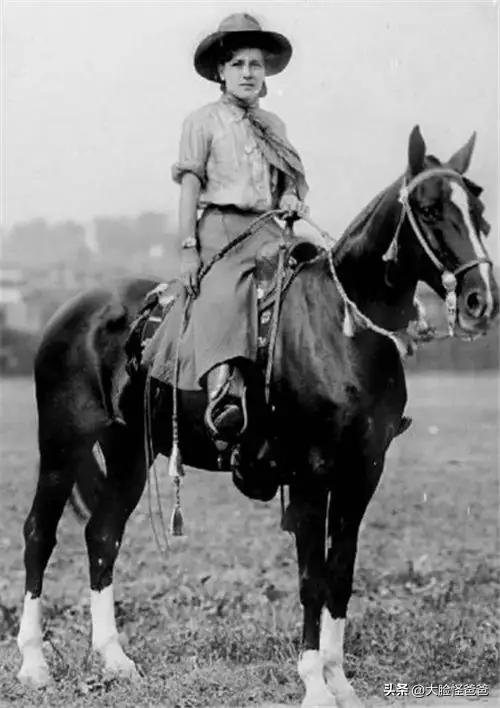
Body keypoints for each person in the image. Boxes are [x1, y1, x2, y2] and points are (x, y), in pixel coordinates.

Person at [171, 13, 308, 444]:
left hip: (270, 231)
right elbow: (190, 188)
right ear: (221, 71)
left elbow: (286, 184)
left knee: (315, 282)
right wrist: (188, 248)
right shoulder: (202, 122)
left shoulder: (275, 125)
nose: (248, 73)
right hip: (221, 231)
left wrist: (290, 199)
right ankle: (223, 399)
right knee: (226, 295)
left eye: (256, 64)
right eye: (238, 64)